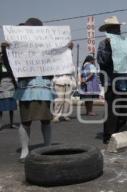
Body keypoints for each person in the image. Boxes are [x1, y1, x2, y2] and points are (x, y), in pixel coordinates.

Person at [3, 18, 74, 161]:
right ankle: (25, 149)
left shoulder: (47, 44)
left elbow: (58, 59)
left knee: (46, 120)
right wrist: (5, 50)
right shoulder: (18, 44)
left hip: (44, 88)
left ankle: (48, 147)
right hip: (26, 88)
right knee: (25, 121)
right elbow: (9, 63)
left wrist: (67, 49)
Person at [97, 16, 127, 144]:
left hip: (124, 81)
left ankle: (121, 134)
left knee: (123, 110)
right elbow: (102, 62)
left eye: (119, 28)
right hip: (111, 82)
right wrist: (112, 49)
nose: (118, 30)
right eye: (116, 28)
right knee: (112, 111)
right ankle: (109, 136)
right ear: (109, 30)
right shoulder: (103, 44)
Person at [0, 50, 17, 129]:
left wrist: (16, 86)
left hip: (10, 86)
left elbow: (13, 76)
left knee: (11, 107)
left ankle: (11, 123)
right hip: (1, 87)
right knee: (1, 107)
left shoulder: (8, 66)